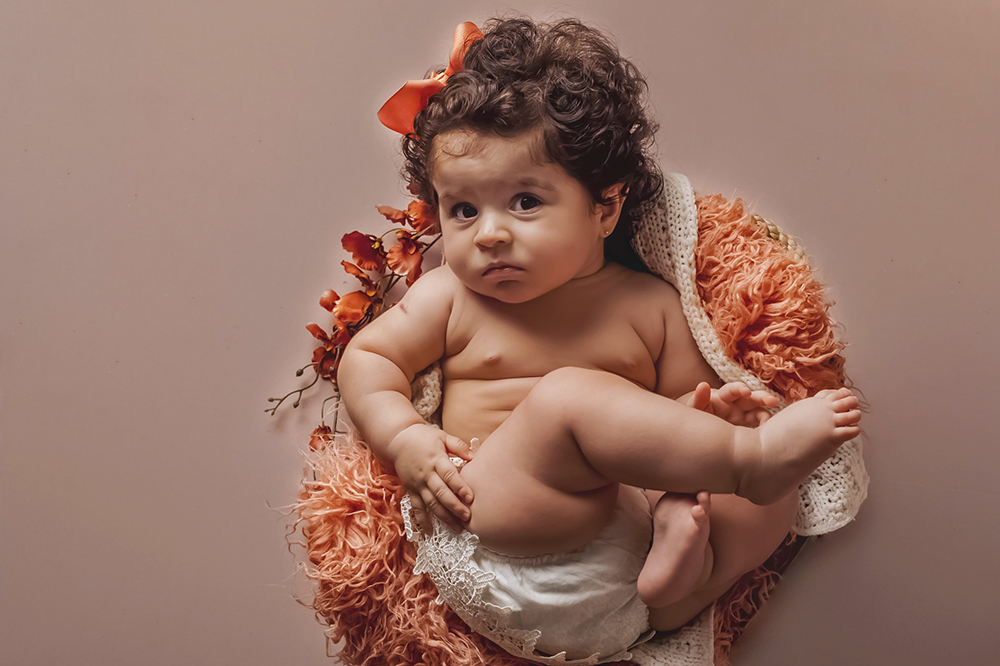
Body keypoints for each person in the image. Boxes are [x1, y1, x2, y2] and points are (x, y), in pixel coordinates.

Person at [338, 17, 860, 665]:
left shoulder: (650, 306)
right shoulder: (451, 297)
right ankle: (749, 461)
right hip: (503, 535)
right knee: (570, 402)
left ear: (605, 208)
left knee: (771, 503)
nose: (489, 233)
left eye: (525, 202)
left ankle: (687, 574)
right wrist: (404, 439)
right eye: (464, 210)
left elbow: (672, 414)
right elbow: (368, 359)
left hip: (628, 584)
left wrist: (706, 416)